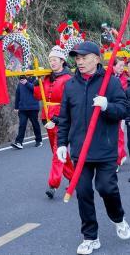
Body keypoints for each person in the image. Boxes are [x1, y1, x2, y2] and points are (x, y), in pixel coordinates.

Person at [57, 41, 130, 254]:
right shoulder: (71, 85)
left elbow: (123, 110)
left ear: (97, 59)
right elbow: (64, 117)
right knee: (83, 192)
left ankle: (118, 218)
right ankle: (90, 236)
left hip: (105, 148)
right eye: (77, 58)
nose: (79, 62)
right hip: (80, 151)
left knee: (106, 188)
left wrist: (107, 105)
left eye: (84, 57)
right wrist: (62, 143)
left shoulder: (111, 83)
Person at [33, 46, 74, 199]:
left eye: (54, 60)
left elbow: (68, 103)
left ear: (62, 61)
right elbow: (38, 96)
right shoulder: (46, 77)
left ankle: (53, 184)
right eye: (50, 60)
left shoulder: (68, 79)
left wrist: (57, 119)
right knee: (59, 151)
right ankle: (74, 177)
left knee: (58, 151)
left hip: (61, 119)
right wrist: (34, 82)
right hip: (47, 118)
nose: (52, 62)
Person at [11, 75, 42, 149]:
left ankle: (39, 140)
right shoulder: (20, 83)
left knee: (35, 124)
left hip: (33, 108)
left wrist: (27, 83)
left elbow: (35, 89)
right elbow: (17, 94)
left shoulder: (35, 79)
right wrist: (16, 107)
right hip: (22, 109)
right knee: (22, 124)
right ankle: (19, 142)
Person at [112, 57, 129, 169]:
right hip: (107, 109)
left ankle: (117, 160)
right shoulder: (106, 77)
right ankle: (120, 155)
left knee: (119, 134)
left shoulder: (125, 79)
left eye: (123, 66)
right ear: (113, 66)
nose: (122, 68)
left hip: (120, 110)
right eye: (120, 66)